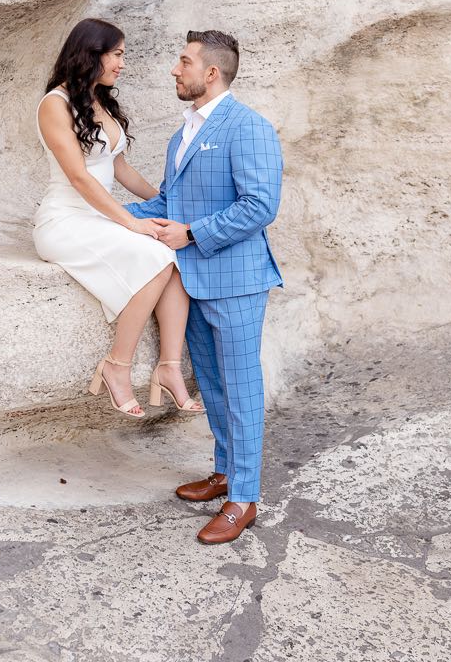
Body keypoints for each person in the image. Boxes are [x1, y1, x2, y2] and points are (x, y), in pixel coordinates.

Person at [125, 30, 283, 543]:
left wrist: (192, 233)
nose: (176, 69)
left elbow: (260, 206)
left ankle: (244, 499)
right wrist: (100, 217)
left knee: (240, 389)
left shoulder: (249, 127)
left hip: (235, 281)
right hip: (191, 283)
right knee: (212, 387)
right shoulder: (181, 136)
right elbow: (166, 204)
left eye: (184, 61)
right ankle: (224, 473)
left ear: (210, 73)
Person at [33, 18, 204, 419]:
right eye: (118, 54)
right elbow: (79, 177)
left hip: (97, 219)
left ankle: (168, 368)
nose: (122, 64)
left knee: (173, 256)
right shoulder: (54, 105)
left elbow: (120, 168)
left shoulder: (99, 101)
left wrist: (166, 201)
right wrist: (132, 224)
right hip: (64, 221)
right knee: (155, 259)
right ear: (91, 54)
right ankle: (117, 366)